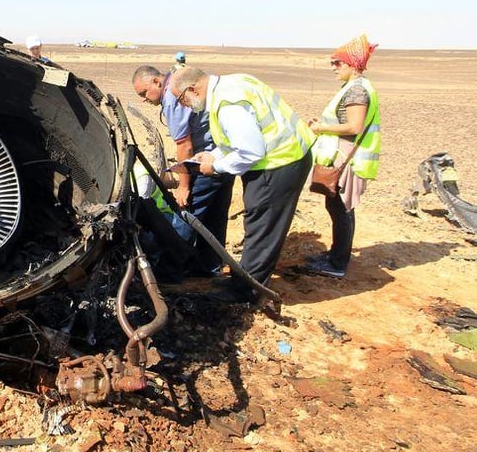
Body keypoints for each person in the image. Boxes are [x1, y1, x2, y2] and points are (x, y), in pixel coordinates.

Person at [170, 67, 315, 303]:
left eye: (181, 99)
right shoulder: (232, 84)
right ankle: (247, 280)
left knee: (262, 225)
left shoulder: (227, 104)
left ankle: (247, 292)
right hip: (285, 157)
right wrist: (212, 155)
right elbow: (237, 140)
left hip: (279, 163)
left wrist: (214, 168)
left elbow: (250, 151)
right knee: (260, 223)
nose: (184, 105)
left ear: (193, 88)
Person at [132, 66, 234, 276]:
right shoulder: (176, 90)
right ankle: (210, 266)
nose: (144, 99)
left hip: (204, 161)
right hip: (224, 156)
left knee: (186, 214)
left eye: (144, 93)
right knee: (216, 214)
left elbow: (184, 145)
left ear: (157, 83)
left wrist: (183, 186)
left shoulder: (171, 96)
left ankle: (172, 269)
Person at [305, 35, 381, 278]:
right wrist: (324, 123)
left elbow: (354, 126)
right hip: (344, 156)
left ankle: (337, 264)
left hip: (349, 159)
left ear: (353, 65)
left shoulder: (357, 90)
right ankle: (335, 256)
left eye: (338, 63)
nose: (333, 68)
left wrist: (321, 129)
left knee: (342, 209)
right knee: (336, 206)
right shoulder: (353, 88)